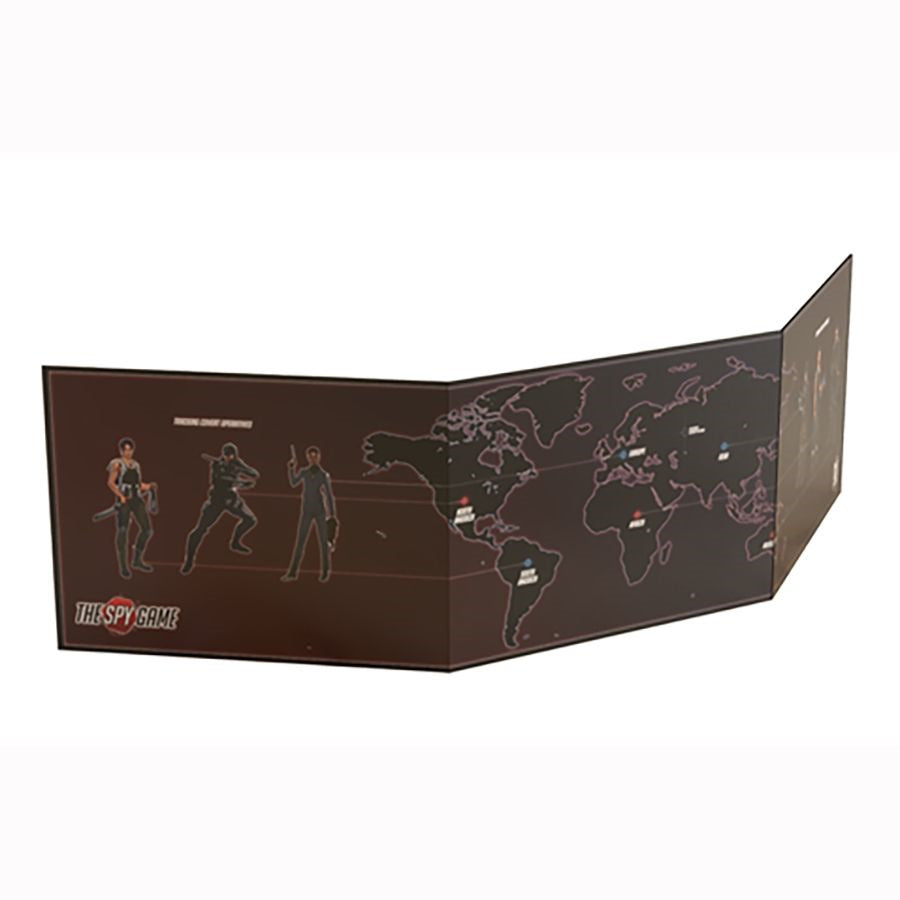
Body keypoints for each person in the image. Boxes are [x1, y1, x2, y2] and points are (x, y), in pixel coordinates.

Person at [181, 443, 259, 575]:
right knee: (199, 530)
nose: (229, 457)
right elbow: (218, 481)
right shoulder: (216, 465)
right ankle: (189, 561)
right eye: (227, 455)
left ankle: (235, 542)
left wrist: (240, 466)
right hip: (217, 499)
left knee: (251, 520)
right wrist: (240, 482)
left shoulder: (237, 463)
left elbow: (255, 474)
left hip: (231, 498)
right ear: (223, 454)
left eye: (231, 456)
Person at [100, 437, 156, 579]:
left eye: (130, 450)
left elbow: (138, 484)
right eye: (125, 450)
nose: (128, 452)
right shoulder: (117, 464)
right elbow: (111, 483)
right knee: (123, 531)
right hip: (124, 499)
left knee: (147, 530)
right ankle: (123, 566)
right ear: (121, 451)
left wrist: (149, 486)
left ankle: (137, 560)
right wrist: (120, 496)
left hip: (136, 499)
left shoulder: (136, 465)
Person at [281, 445, 337, 583]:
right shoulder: (304, 472)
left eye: (315, 456)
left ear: (319, 457)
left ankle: (325, 572)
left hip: (320, 511)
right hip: (306, 511)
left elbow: (329, 495)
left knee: (323, 542)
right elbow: (293, 482)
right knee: (300, 542)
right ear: (307, 458)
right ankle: (292, 573)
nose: (313, 459)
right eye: (310, 456)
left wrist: (332, 516)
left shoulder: (323, 475)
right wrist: (291, 468)